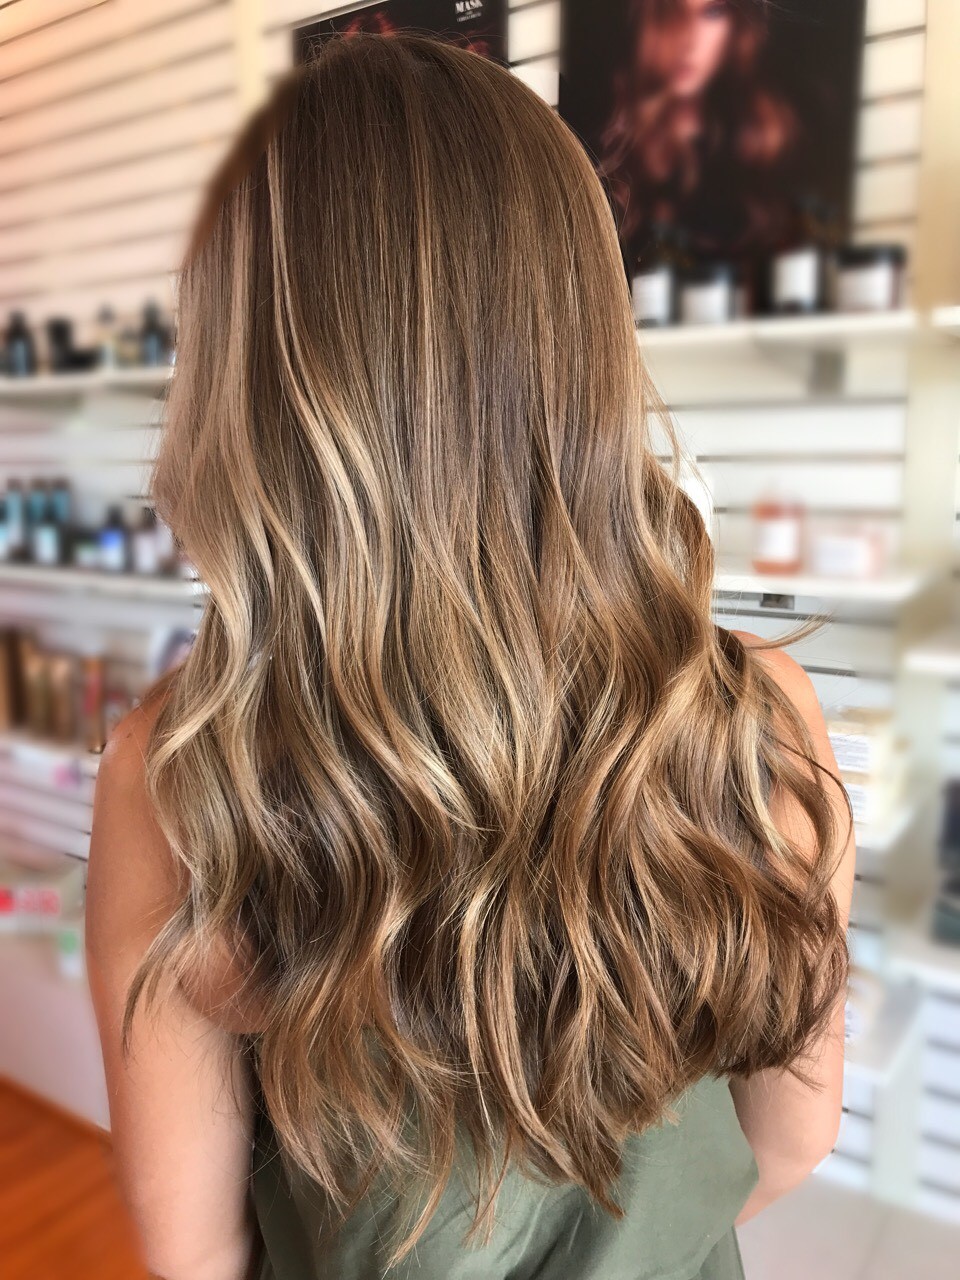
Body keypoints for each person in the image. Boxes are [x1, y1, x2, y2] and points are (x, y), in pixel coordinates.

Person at [85, 31, 855, 1280]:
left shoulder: (184, 785)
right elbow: (790, 1140)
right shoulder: (757, 718)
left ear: (246, 379)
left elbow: (199, 1253)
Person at [596, 0, 802, 263]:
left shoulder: (767, 143)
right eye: (674, 11)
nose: (688, 40)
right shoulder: (614, 154)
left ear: (739, 26)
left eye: (712, 12)